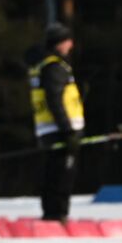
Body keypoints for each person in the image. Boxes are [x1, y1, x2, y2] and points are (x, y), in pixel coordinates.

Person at [28, 23, 84, 222]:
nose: (71, 45)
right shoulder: (54, 67)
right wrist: (68, 130)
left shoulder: (43, 65)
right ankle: (57, 215)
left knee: (53, 173)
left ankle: (53, 213)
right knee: (62, 175)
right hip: (60, 131)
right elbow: (55, 100)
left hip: (48, 129)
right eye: (68, 40)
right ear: (60, 43)